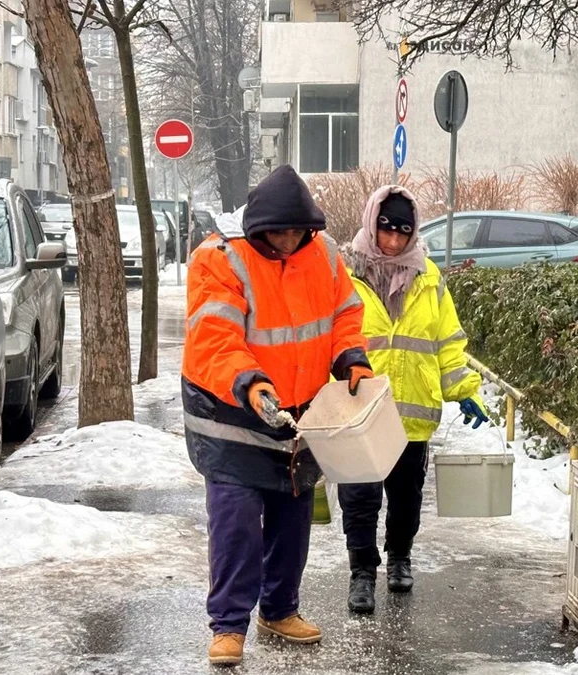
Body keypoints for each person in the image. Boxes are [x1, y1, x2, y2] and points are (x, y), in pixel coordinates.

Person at [182, 165, 373, 666]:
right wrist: (250, 382)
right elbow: (215, 339)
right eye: (279, 233)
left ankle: (280, 609)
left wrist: (350, 358)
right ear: (258, 226)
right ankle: (228, 625)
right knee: (237, 523)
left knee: (293, 518)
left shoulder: (323, 253)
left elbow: (345, 314)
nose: (289, 242)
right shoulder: (219, 258)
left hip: (297, 412)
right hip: (230, 411)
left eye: (297, 232)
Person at [337, 185, 489, 614]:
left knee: (405, 498)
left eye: (403, 232)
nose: (393, 240)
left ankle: (400, 557)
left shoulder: (429, 278)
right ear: (372, 224)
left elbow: (447, 342)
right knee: (360, 500)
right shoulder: (346, 276)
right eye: (386, 230)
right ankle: (362, 573)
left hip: (412, 412)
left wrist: (464, 389)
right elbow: (329, 338)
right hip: (360, 411)